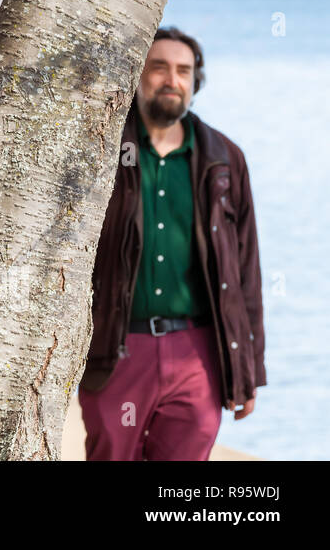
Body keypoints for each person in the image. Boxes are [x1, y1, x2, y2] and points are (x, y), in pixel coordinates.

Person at [80, 27, 264, 461]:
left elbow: (246, 269)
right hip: (115, 347)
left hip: (198, 351)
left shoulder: (224, 157)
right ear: (137, 74)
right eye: (158, 67)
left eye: (183, 70)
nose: (171, 79)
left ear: (195, 82)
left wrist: (248, 368)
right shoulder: (105, 149)